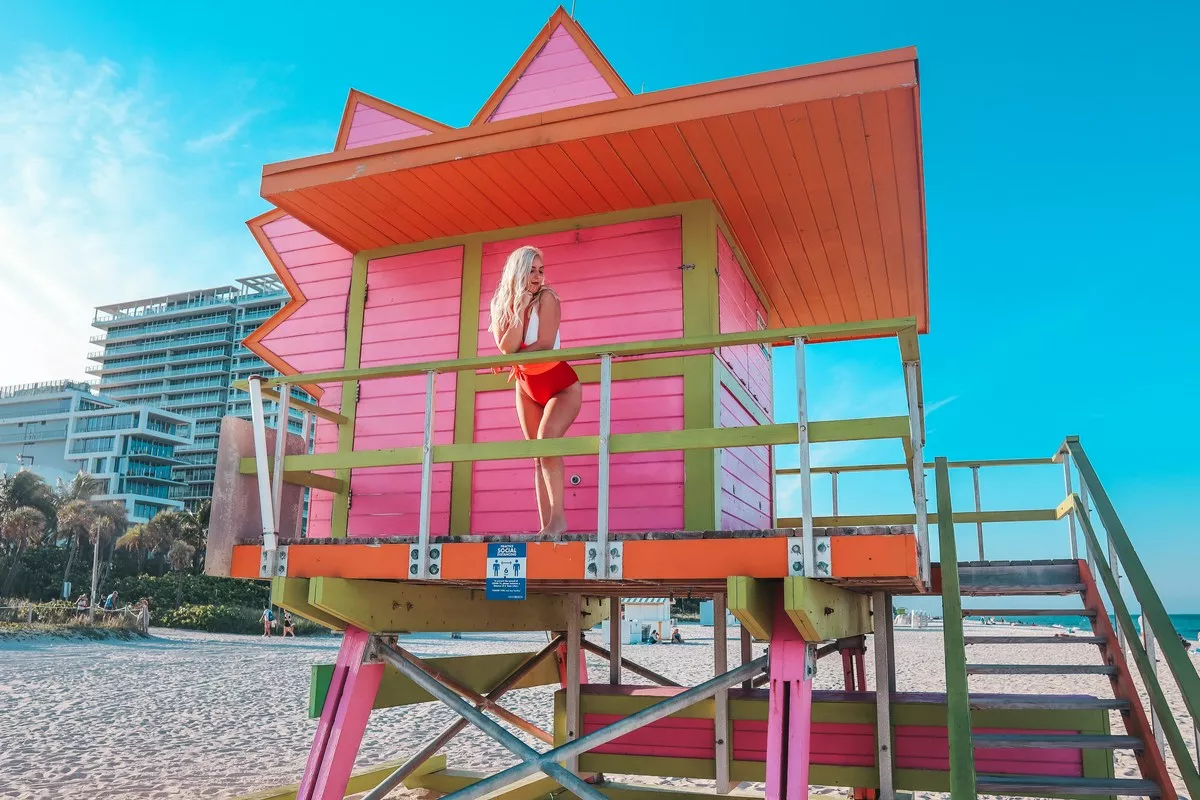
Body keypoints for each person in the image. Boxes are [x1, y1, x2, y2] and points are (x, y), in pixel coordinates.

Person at [488, 245, 582, 535]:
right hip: (526, 386)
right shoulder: (502, 304)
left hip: (561, 385)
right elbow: (506, 346)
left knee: (547, 441)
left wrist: (512, 357)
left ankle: (559, 520)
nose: (537, 276)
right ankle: (546, 526)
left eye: (540, 270)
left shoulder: (548, 298)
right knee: (537, 453)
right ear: (518, 271)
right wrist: (518, 306)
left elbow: (544, 344)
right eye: (531, 270)